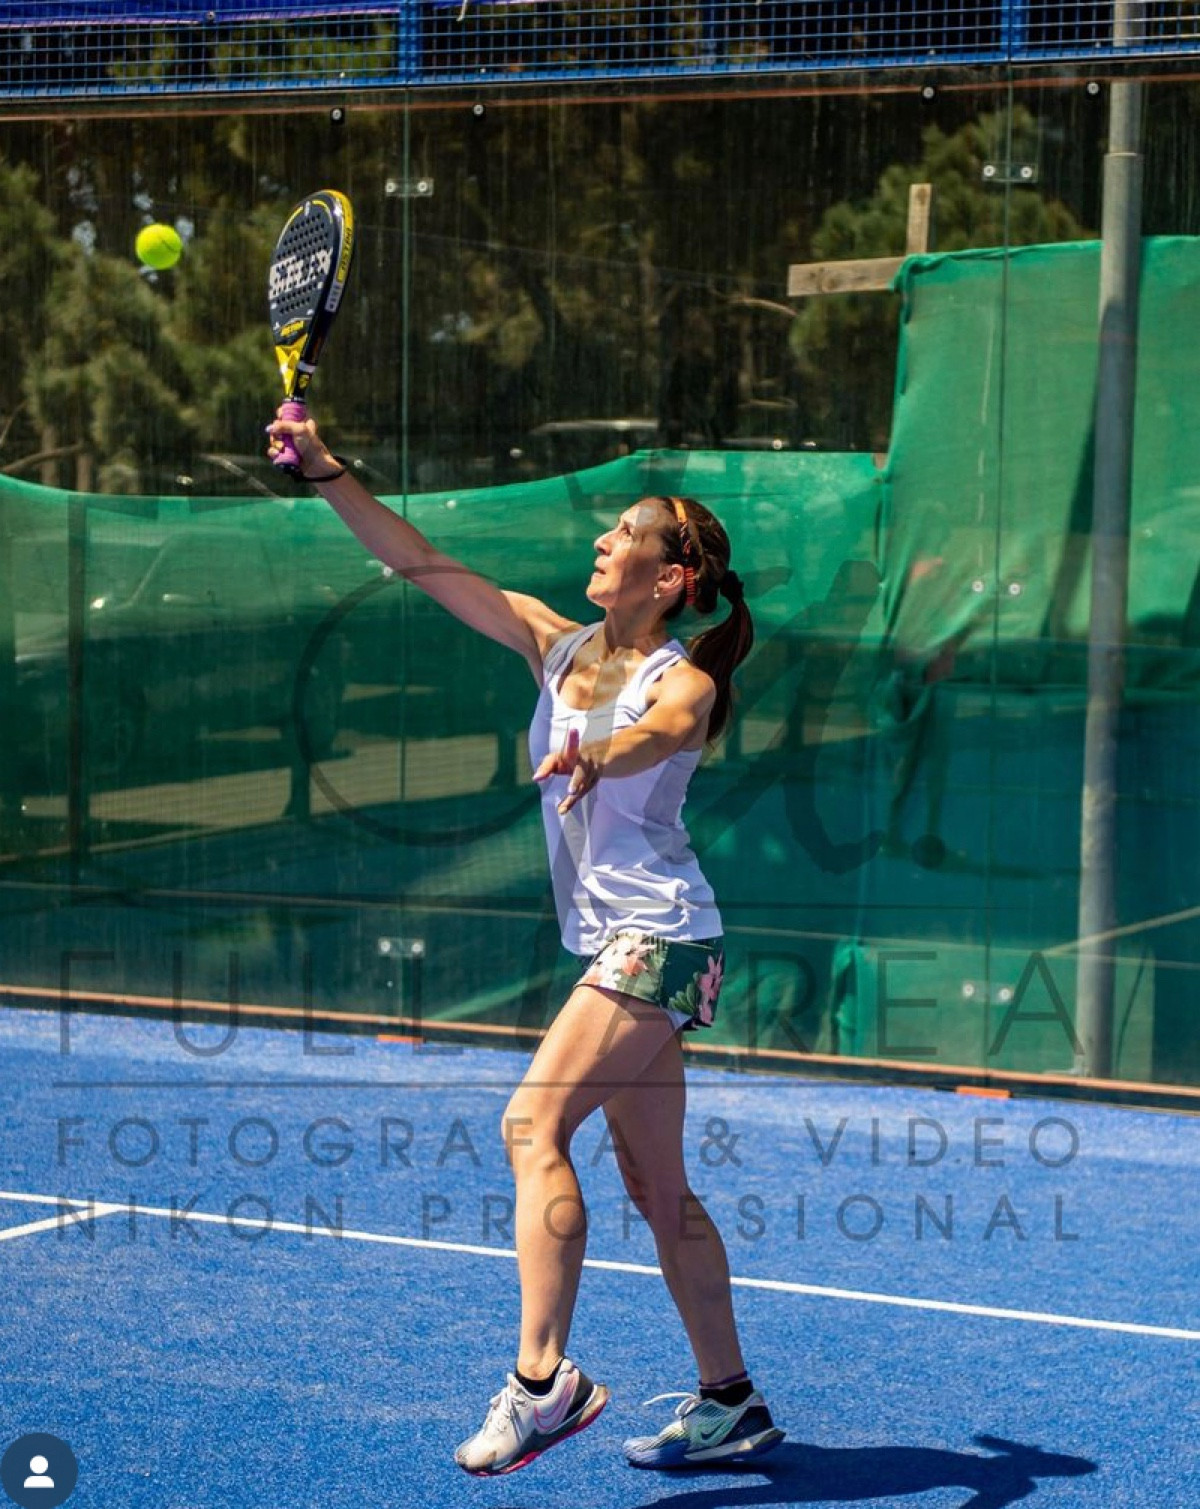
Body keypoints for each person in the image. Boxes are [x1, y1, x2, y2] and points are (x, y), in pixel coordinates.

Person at [267, 411, 786, 1477]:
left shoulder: (682, 680)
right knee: (655, 1187)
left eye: (624, 532)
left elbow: (660, 734)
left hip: (661, 939)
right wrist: (324, 469)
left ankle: (543, 1382)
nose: (602, 539)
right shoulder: (556, 644)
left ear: (671, 576)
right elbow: (418, 561)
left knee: (529, 1124)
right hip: (642, 947)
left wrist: (599, 752)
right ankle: (732, 1399)